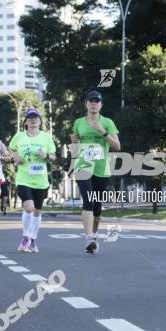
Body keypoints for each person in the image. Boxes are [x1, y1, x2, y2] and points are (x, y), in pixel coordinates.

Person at [70, 90, 120, 254]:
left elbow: (117, 146)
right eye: (90, 101)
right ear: (86, 104)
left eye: (96, 101)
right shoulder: (78, 122)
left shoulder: (107, 122)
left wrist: (102, 130)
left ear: (100, 105)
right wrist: (75, 142)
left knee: (97, 209)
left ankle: (94, 235)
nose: (93, 104)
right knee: (88, 201)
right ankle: (89, 238)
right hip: (83, 165)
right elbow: (76, 145)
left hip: (101, 168)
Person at [8, 108, 56, 253]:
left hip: (41, 181)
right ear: (26, 122)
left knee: (37, 212)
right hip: (24, 179)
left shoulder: (46, 137)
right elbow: (10, 150)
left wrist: (46, 154)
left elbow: (54, 157)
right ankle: (25, 237)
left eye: (36, 118)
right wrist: (15, 157)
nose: (33, 120)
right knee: (28, 208)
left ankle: (33, 240)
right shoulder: (19, 136)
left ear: (40, 121)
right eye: (30, 118)